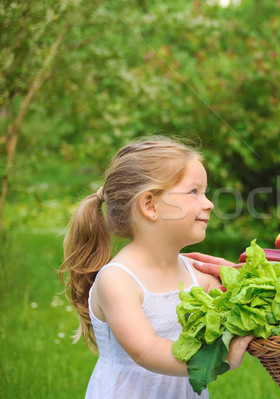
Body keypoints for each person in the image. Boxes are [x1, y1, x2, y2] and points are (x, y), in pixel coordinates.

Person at [59, 137, 252, 399]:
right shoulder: (118, 280)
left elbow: (243, 306)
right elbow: (147, 351)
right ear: (150, 205)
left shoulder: (198, 273)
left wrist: (240, 278)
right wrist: (221, 360)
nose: (209, 204)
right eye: (194, 192)